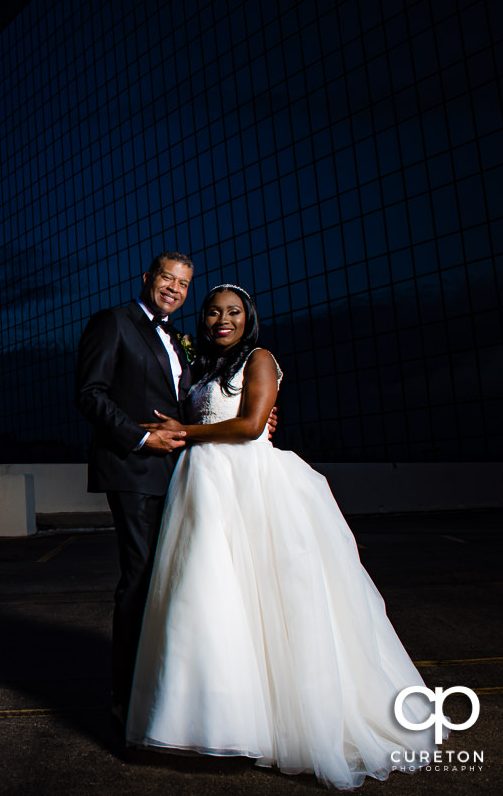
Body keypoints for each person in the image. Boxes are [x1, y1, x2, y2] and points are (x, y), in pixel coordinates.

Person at [125, 284, 438, 789]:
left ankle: (291, 720)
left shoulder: (261, 358)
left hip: (249, 482)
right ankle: (221, 718)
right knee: (210, 596)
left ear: (248, 318)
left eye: (233, 312)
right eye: (212, 312)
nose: (222, 320)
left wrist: (183, 431)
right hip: (204, 484)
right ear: (202, 319)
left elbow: (251, 426)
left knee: (270, 594)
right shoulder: (204, 367)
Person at [74, 251, 196, 722]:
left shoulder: (179, 339)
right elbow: (90, 393)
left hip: (177, 474)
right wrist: (144, 437)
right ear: (147, 278)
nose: (174, 289)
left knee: (171, 579)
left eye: (183, 284)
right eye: (167, 278)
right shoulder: (114, 322)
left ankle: (164, 691)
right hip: (133, 468)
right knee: (142, 579)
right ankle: (127, 705)